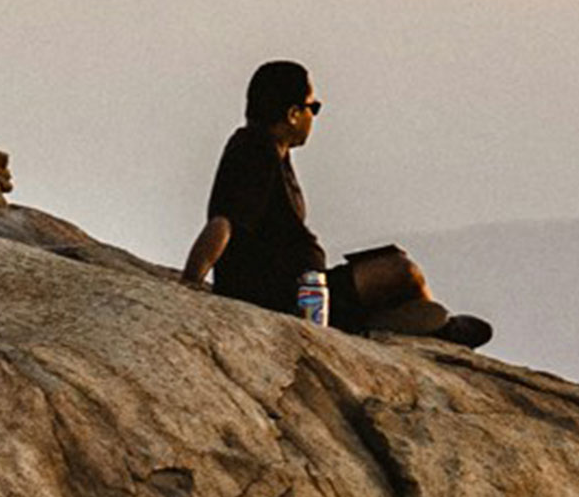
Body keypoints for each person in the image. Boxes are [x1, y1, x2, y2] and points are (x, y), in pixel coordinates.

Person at [181, 61, 493, 347]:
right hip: (286, 296)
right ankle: (440, 332)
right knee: (403, 272)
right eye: (312, 107)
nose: (313, 117)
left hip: (299, 288)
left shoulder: (269, 150)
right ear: (292, 114)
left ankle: (404, 322)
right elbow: (224, 221)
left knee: (393, 262)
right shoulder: (256, 151)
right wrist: (190, 285)